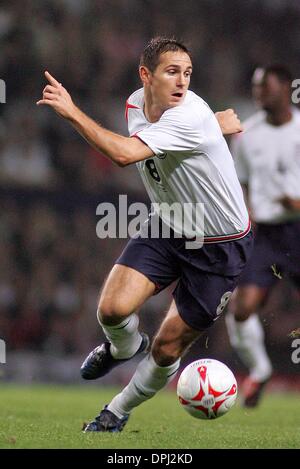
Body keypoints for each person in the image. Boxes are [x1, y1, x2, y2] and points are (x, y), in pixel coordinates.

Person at [37, 37, 253, 432]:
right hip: (172, 222)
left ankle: (115, 412)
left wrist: (71, 112)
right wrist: (213, 127)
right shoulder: (136, 104)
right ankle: (123, 347)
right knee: (112, 311)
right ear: (145, 75)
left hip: (220, 245)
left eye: (188, 73)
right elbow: (183, 137)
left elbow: (123, 154)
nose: (182, 81)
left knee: (168, 347)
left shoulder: (189, 115)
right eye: (172, 71)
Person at [226, 65, 300, 407]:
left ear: (286, 87)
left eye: (265, 87)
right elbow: (241, 184)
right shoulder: (247, 135)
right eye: (255, 88)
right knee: (241, 308)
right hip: (268, 235)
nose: (259, 94)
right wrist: (247, 213)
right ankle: (259, 371)